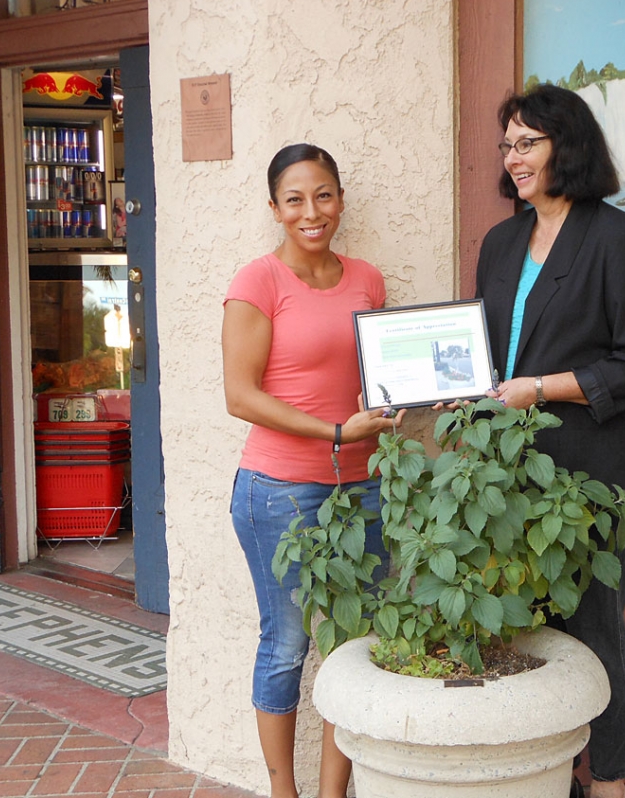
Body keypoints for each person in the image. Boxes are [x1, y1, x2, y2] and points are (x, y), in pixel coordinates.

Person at [475, 84, 625, 798]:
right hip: (507, 476)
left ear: (569, 145)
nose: (514, 157)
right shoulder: (501, 241)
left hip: (588, 476)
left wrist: (542, 387)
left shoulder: (615, 237)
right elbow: (486, 358)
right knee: (523, 631)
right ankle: (548, 777)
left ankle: (611, 781)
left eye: (529, 142)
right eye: (508, 144)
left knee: (595, 632)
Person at [222, 143, 403, 798]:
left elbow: (375, 375)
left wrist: (394, 402)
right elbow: (240, 396)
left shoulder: (368, 279)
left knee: (351, 642)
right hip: (279, 493)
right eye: (294, 199)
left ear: (341, 200)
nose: (311, 211)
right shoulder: (257, 283)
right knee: (288, 643)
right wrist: (332, 431)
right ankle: (284, 793)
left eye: (323, 194)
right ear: (274, 208)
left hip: (363, 487)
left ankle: (333, 794)